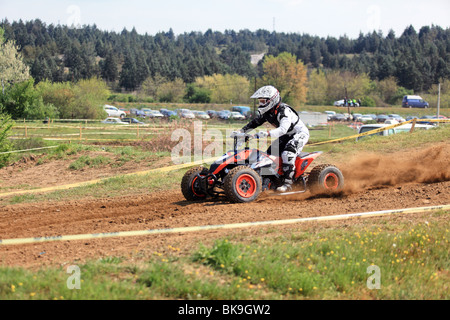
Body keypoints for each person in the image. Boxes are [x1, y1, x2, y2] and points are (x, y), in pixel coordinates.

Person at [233, 85, 310, 192]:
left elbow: (283, 129)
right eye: (260, 101)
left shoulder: (284, 111)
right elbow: (254, 123)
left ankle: (288, 184)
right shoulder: (267, 113)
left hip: (299, 133)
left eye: (263, 101)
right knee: (268, 156)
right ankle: (272, 181)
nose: (261, 104)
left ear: (272, 100)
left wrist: (267, 134)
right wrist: (240, 132)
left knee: (287, 154)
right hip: (286, 135)